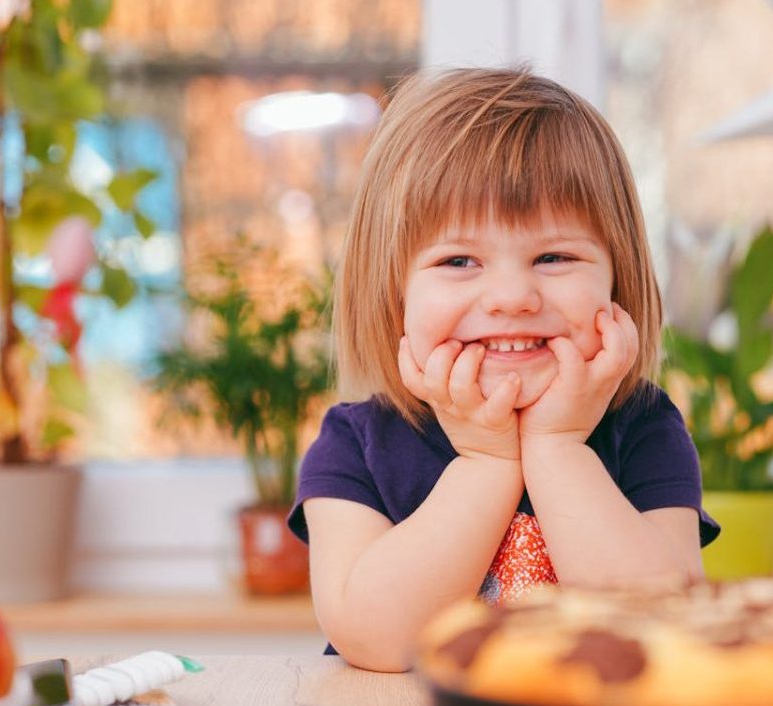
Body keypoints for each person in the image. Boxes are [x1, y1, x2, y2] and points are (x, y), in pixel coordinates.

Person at [286, 67, 719, 673]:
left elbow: (661, 631)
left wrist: (559, 448)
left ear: (618, 281)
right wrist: (486, 462)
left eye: (554, 256)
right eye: (459, 260)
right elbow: (376, 640)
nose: (512, 296)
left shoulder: (643, 427)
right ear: (393, 294)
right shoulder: (355, 444)